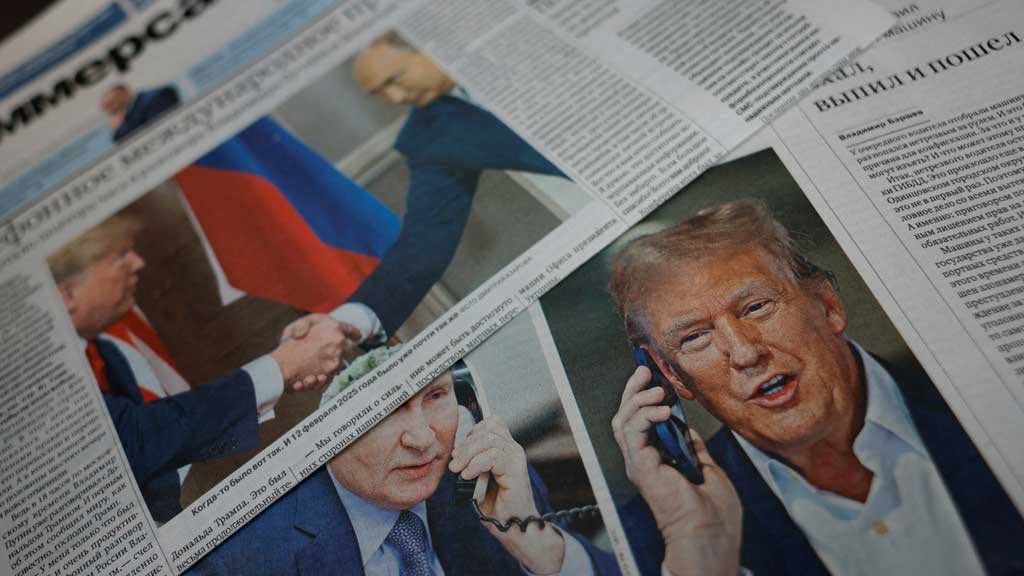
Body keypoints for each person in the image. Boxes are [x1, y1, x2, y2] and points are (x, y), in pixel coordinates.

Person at [609, 199, 1024, 575]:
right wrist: (705, 559)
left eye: (756, 307)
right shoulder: (656, 544)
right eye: (695, 337)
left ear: (828, 306)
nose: (744, 354)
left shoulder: (991, 391)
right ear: (674, 375)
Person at [189, 348, 619, 575]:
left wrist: (536, 544)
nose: (423, 439)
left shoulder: (489, 481)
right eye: (382, 412)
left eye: (435, 397)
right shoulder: (243, 559)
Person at [49, 212, 348, 522]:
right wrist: (283, 366)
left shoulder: (107, 353)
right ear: (66, 295)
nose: (138, 262)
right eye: (120, 256)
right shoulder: (46, 381)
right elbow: (136, 439)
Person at [280, 32, 566, 347]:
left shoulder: (507, 41)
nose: (396, 98)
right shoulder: (428, 138)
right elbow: (423, 244)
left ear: (425, 42)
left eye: (395, 78)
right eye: (381, 93)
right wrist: (347, 322)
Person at [101, 83, 181, 142]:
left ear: (123, 93)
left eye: (111, 103)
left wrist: (120, 128)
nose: (111, 110)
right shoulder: (129, 117)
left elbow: (157, 132)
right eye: (106, 108)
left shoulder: (157, 96)